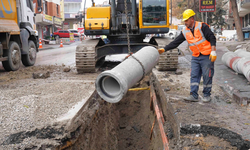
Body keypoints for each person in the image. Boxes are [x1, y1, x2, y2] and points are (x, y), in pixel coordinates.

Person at [158, 9, 217, 103]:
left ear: (192, 19)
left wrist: (213, 52)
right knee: (194, 75)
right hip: (195, 56)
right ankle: (193, 95)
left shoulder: (202, 26)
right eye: (184, 20)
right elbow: (175, 43)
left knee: (207, 75)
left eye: (186, 20)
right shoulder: (185, 31)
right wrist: (164, 49)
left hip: (207, 56)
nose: (185, 22)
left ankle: (206, 95)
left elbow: (212, 38)